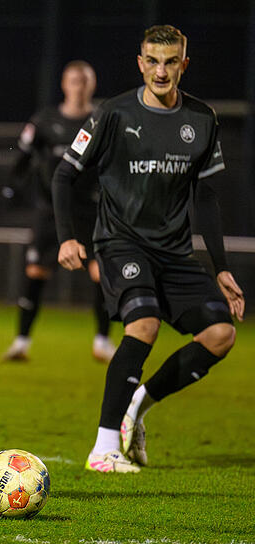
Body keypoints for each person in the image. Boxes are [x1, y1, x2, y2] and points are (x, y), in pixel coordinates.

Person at [53, 25, 245, 473]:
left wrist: (220, 268)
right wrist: (67, 236)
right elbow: (65, 174)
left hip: (175, 253)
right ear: (140, 63)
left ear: (184, 64)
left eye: (170, 61)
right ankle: (103, 449)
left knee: (221, 334)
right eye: (152, 61)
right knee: (143, 323)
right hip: (120, 243)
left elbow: (207, 197)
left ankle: (138, 402)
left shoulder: (201, 118)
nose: (161, 70)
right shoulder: (114, 113)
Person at [2, 61, 115, 363]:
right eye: (73, 80)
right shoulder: (44, 120)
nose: (78, 85)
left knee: (101, 272)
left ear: (92, 85)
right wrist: (12, 187)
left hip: (89, 211)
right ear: (64, 84)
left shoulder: (101, 119)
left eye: (84, 80)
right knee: (36, 272)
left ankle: (102, 341)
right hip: (49, 211)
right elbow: (23, 158)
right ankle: (21, 342)